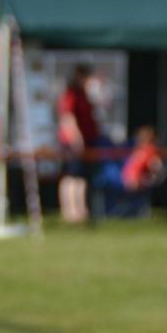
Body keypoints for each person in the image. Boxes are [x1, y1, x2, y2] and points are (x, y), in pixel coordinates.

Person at [57, 64, 99, 223]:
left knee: (81, 176)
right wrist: (76, 138)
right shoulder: (71, 94)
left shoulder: (83, 95)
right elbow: (68, 118)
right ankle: (70, 212)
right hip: (73, 142)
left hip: (86, 141)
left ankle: (81, 211)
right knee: (71, 176)